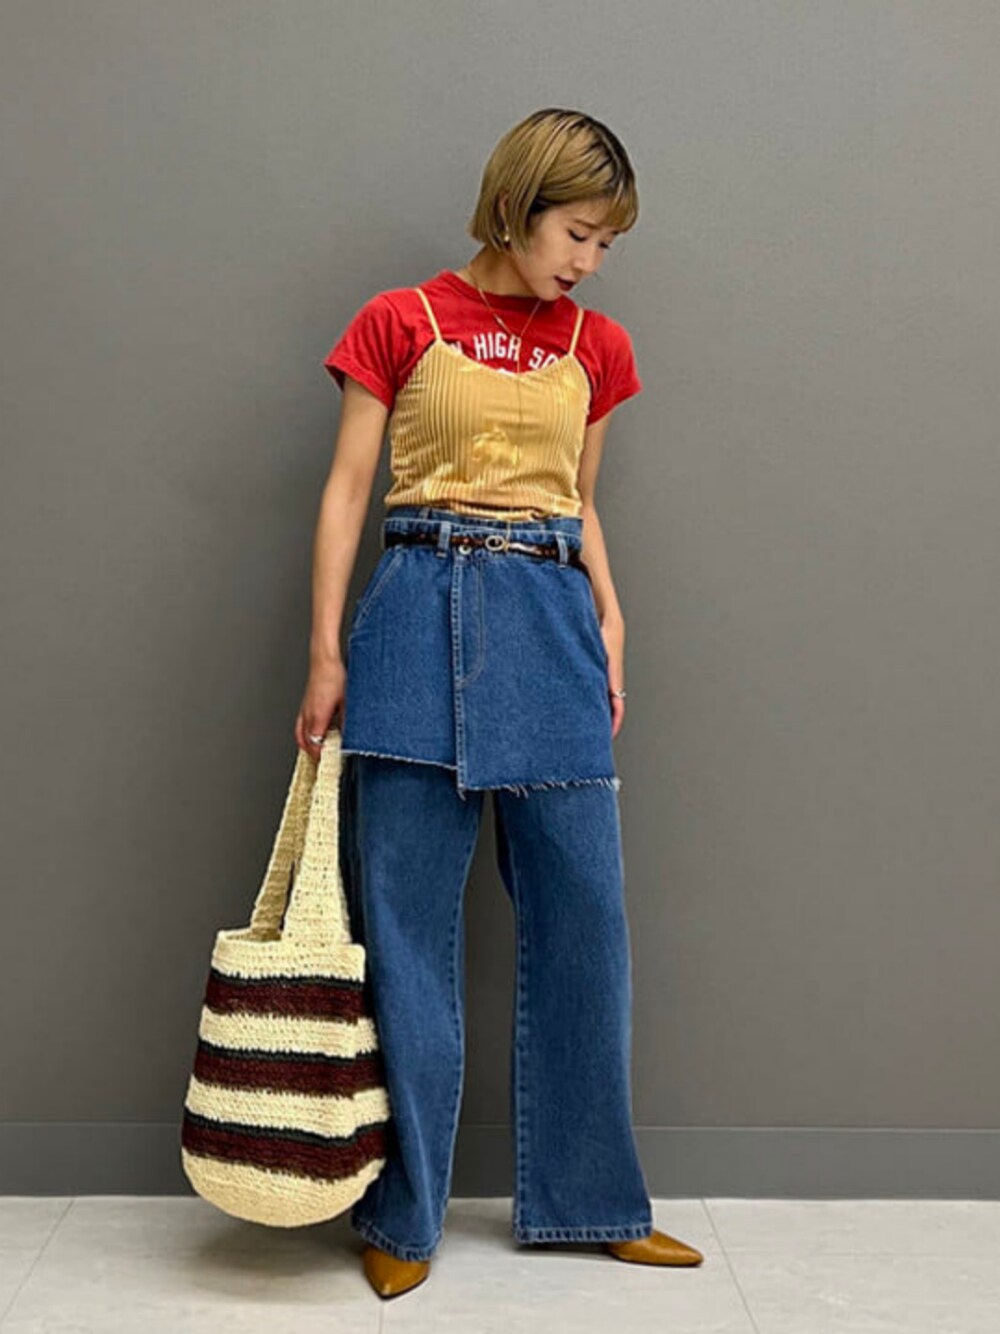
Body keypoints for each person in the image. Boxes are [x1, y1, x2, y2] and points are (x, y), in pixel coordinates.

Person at [297, 107, 704, 1300]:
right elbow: (347, 489)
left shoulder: (597, 346)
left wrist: (610, 616)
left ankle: (591, 1199)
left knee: (585, 922)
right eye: (577, 232)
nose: (589, 260)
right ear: (517, 207)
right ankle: (403, 1209)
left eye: (606, 243)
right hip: (413, 613)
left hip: (548, 615)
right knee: (405, 932)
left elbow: (578, 500)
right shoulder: (399, 320)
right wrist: (324, 653)